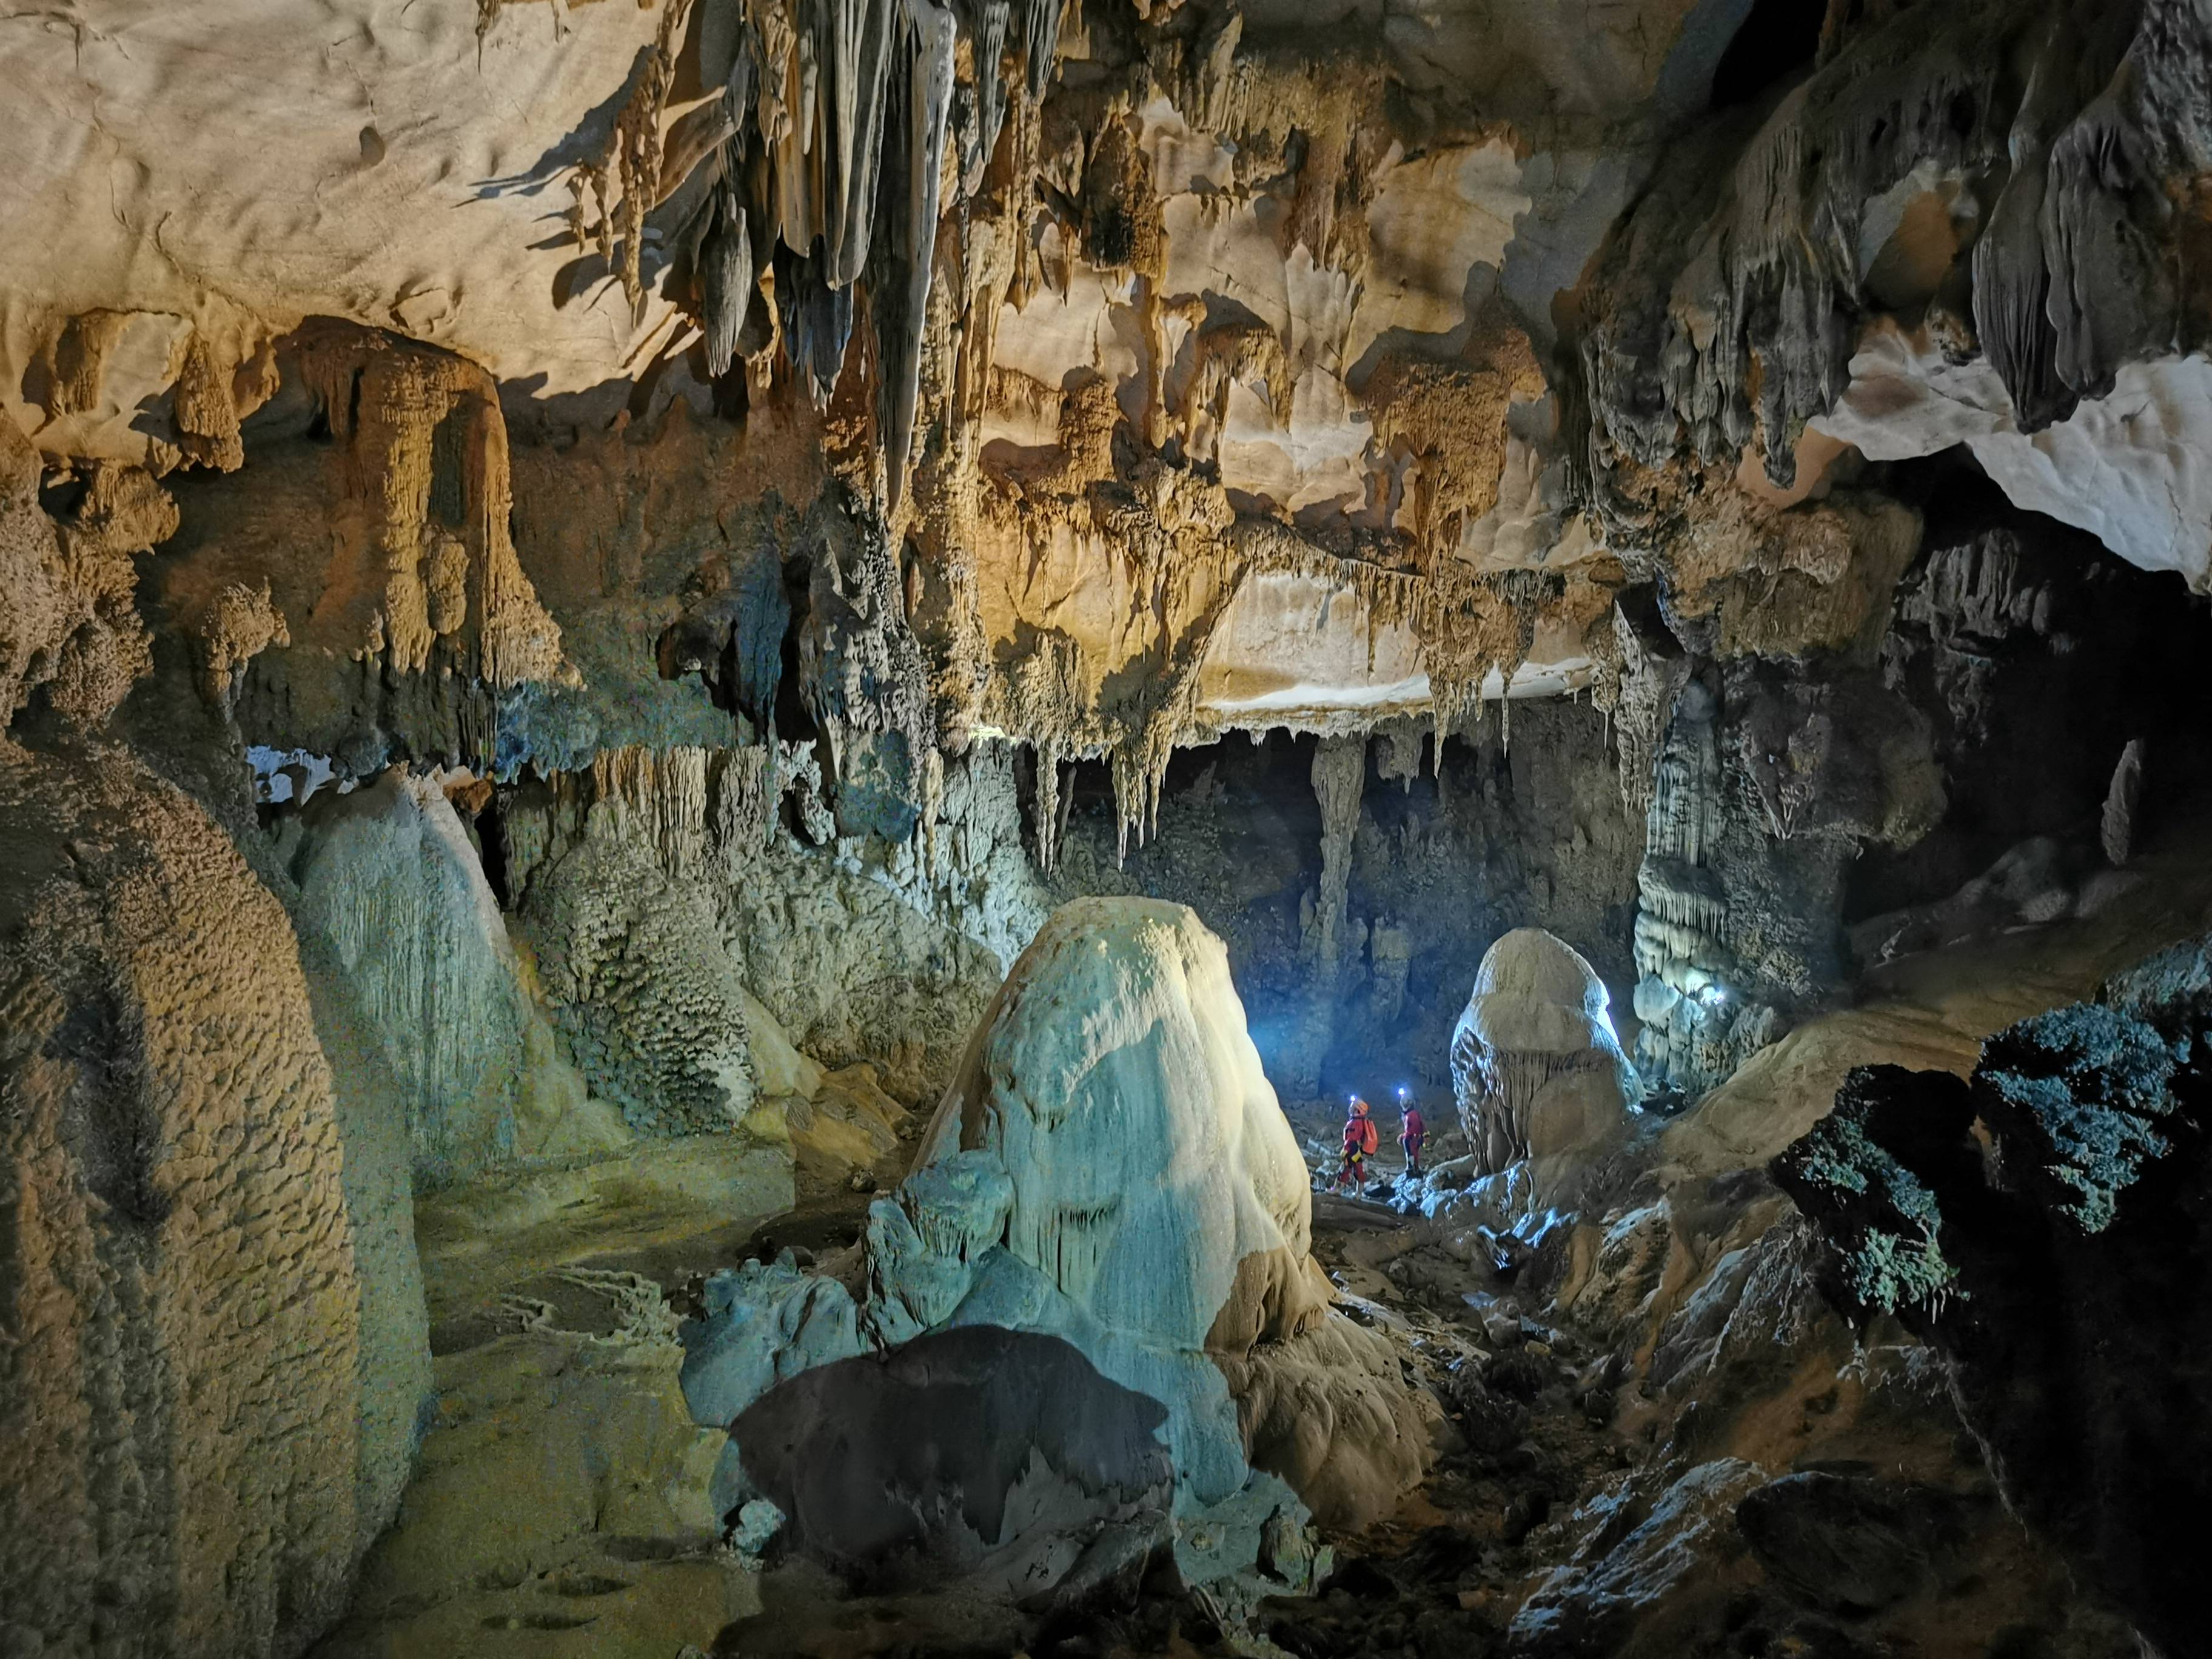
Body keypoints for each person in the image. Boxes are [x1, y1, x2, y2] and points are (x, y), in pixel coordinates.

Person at [1339, 1095, 1378, 1190]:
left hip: (1353, 1150)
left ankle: (1341, 1190)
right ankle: (1357, 1192)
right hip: (1355, 1150)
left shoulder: (1356, 1123)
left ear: (1357, 1110)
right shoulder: (1357, 1121)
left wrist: (1346, 1150)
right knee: (1353, 1169)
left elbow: (1352, 1138)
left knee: (1350, 1169)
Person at [1398, 1087, 1427, 1178]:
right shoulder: (1410, 1114)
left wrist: (1406, 1136)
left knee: (1412, 1153)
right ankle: (1413, 1169)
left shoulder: (1412, 1115)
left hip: (1412, 1138)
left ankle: (1413, 1170)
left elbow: (1414, 1129)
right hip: (1412, 1138)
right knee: (1411, 1153)